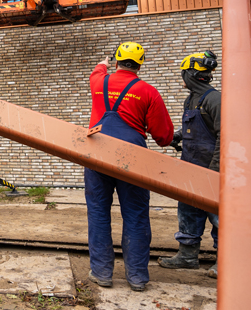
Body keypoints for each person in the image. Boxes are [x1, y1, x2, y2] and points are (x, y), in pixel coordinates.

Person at [86, 42, 174, 291]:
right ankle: (136, 277)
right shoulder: (148, 92)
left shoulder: (98, 82)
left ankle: (102, 272)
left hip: (96, 153)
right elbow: (163, 136)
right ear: (140, 64)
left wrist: (103, 62)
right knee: (135, 216)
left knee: (98, 212)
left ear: (117, 62)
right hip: (133, 158)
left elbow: (97, 72)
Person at [159, 51, 221, 278]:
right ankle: (187, 256)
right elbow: (193, 129)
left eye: (184, 73)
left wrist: (215, 171)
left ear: (192, 74)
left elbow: (224, 136)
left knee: (217, 217)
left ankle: (224, 261)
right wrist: (177, 136)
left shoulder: (215, 100)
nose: (183, 78)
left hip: (210, 170)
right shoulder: (192, 99)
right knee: (188, 211)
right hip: (191, 168)